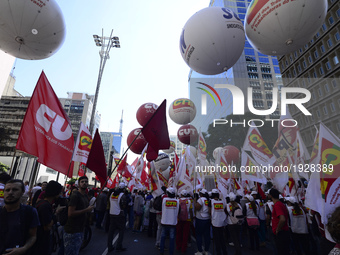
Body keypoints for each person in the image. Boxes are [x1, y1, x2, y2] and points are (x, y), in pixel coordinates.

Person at [0, 179, 40, 254]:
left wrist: (23, 248)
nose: (10, 193)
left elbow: (33, 236)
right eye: (7, 190)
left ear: (22, 192)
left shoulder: (30, 212)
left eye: (15, 190)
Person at [63, 176, 93, 255]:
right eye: (82, 182)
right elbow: (71, 213)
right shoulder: (75, 196)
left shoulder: (86, 196)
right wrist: (86, 210)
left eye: (86, 182)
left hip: (80, 229)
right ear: (79, 184)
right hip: (72, 230)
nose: (84, 183)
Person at [33, 180, 62, 255]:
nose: (60, 194)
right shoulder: (45, 206)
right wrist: (56, 213)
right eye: (59, 192)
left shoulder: (42, 203)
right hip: (41, 240)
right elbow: (47, 227)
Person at [107, 182, 127, 252]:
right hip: (119, 215)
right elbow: (123, 206)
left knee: (111, 231)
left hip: (112, 214)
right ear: (123, 188)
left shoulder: (112, 194)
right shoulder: (122, 195)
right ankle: (119, 245)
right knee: (121, 230)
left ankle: (109, 246)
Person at [269, 188, 290, 255]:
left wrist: (278, 229)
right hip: (283, 232)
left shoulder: (277, 205)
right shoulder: (281, 204)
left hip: (281, 233)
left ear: (270, 196)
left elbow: (282, 219)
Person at [160, 187, 179, 255]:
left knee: (163, 237)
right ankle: (171, 252)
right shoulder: (177, 201)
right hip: (173, 222)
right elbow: (177, 211)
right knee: (172, 238)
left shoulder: (164, 199)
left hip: (165, 221)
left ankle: (161, 251)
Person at [209, 189, 227, 255]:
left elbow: (209, 211)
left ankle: (218, 252)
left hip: (215, 222)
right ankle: (225, 252)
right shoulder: (222, 201)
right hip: (222, 222)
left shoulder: (211, 201)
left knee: (217, 239)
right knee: (222, 238)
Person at [194, 188, 211, 255]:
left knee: (199, 235)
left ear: (201, 194)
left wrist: (195, 202)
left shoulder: (201, 199)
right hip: (207, 218)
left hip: (200, 219)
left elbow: (197, 207)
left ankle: (200, 251)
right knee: (207, 235)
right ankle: (206, 250)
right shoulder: (208, 199)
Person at [176, 189, 193, 253]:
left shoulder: (178, 201)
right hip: (187, 219)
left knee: (178, 233)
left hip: (179, 219)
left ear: (181, 194)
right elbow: (191, 211)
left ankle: (178, 246)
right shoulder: (189, 201)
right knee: (185, 235)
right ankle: (184, 248)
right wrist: (191, 219)